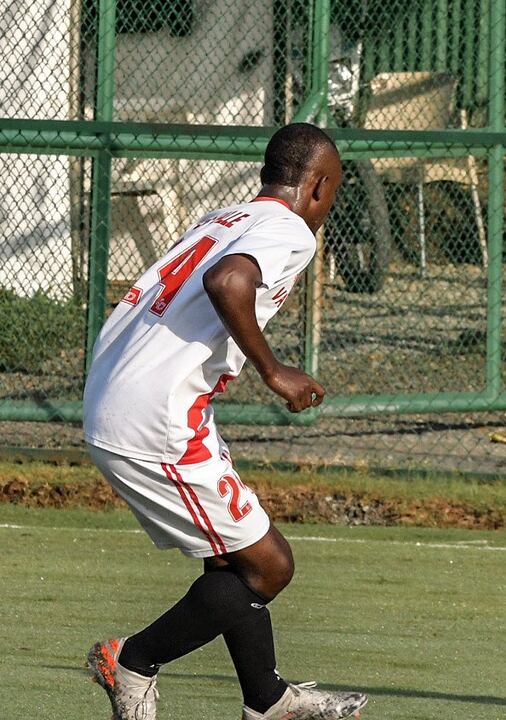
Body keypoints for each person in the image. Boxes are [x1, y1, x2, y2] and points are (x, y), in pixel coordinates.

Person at [82, 123, 368, 720]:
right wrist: (273, 370)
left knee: (231, 558)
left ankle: (267, 699)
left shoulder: (221, 219)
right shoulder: (289, 230)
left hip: (121, 396)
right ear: (318, 187)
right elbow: (228, 281)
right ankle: (132, 661)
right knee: (269, 566)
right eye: (333, 193)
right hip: (157, 417)